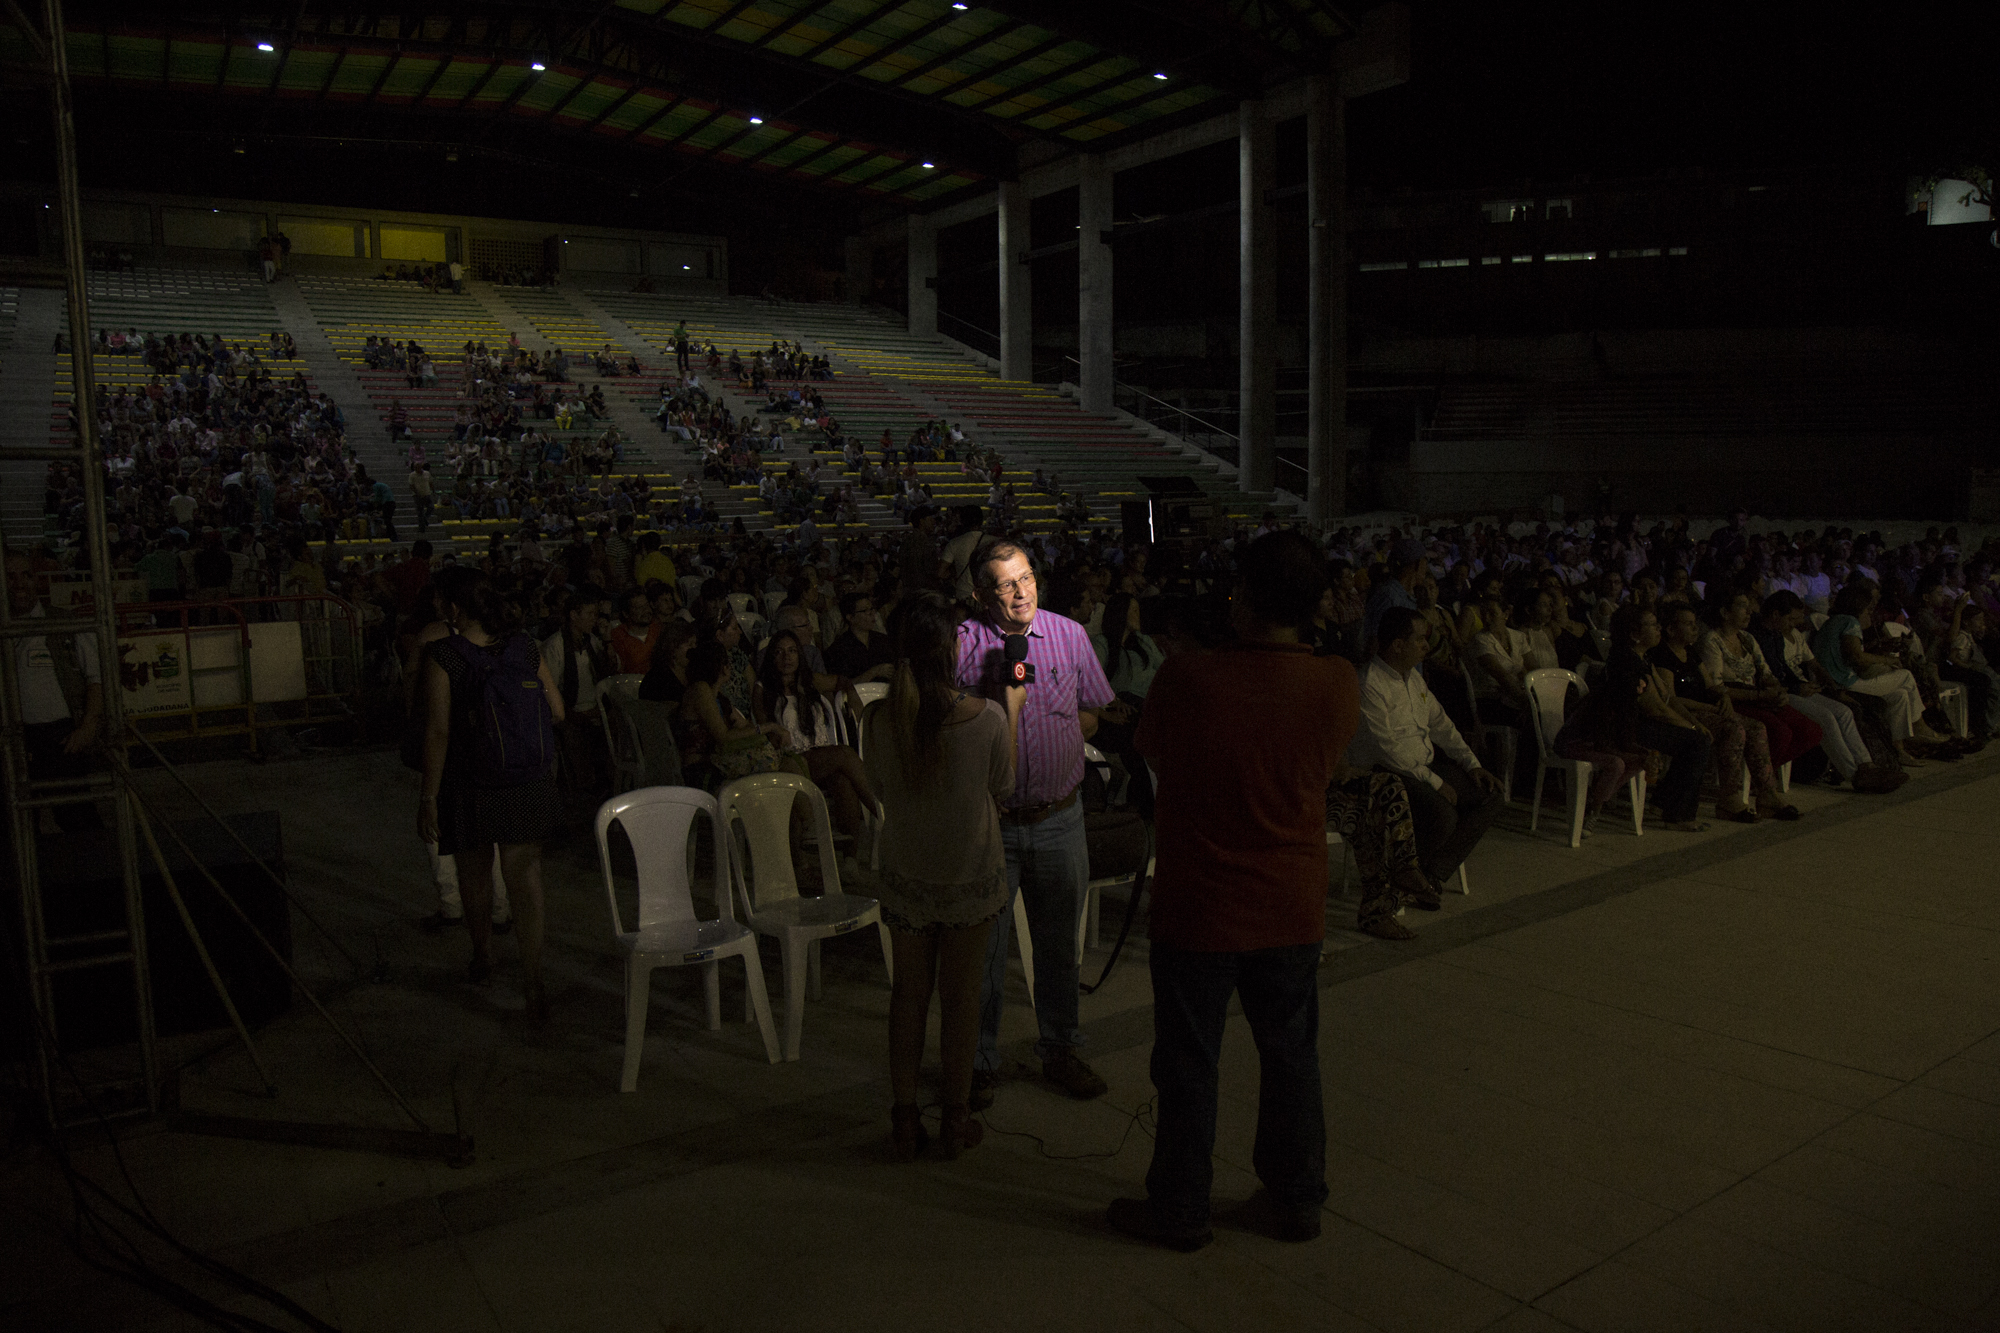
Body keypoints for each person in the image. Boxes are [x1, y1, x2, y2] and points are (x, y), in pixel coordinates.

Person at [1114, 531, 1354, 1251]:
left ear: (1241, 597)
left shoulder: (1188, 677)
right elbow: (1325, 772)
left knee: (1190, 1062)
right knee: (1291, 1059)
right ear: (1315, 605)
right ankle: (1296, 1198)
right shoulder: (1338, 681)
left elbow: (1155, 756)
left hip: (1201, 908)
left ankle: (1182, 1209)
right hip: (1291, 901)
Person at [955, 540, 1115, 1106]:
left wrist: (1067, 733)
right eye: (1006, 583)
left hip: (1058, 817)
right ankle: (976, 1062)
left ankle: (1062, 1048)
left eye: (1026, 578)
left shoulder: (1070, 635)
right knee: (987, 952)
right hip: (992, 825)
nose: (1022, 591)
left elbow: (1094, 710)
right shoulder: (963, 644)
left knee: (1057, 945)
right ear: (981, 594)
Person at [864, 593, 1023, 1160]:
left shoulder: (880, 719)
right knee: (961, 1002)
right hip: (969, 875)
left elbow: (880, 789)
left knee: (908, 997)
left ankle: (905, 1118)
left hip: (908, 871)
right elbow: (1002, 790)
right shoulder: (987, 720)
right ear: (952, 650)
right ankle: (955, 1118)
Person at [417, 566, 564, 1016]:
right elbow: (556, 710)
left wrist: (428, 796)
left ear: (456, 608)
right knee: (526, 876)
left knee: (475, 874)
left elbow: (438, 731)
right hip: (526, 778)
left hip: (470, 780)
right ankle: (534, 977)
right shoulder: (523, 645)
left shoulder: (443, 654)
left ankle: (483, 956)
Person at [1350, 607, 1504, 901]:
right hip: (1388, 774)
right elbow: (1387, 749)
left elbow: (1442, 725)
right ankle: (1410, 876)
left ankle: (1428, 874)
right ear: (1397, 644)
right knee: (1442, 814)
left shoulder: (1414, 679)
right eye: (1420, 639)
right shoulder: (1369, 683)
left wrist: (1471, 765)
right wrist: (1435, 782)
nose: (1426, 646)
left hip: (1423, 766)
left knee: (1491, 794)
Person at [6, 549, 104, 832]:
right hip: (14, 740)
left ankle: (98, 873)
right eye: (11, 577)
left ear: (37, 580)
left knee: (78, 819)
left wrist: (87, 727)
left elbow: (95, 678)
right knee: (18, 827)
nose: (19, 583)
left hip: (61, 738)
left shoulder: (64, 622)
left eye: (26, 575)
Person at [1605, 604, 1713, 832]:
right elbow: (1655, 709)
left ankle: (1663, 802)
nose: (1659, 629)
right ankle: (1678, 814)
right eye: (1653, 625)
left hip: (1642, 723)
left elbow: (1668, 698)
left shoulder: (1644, 658)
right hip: (1624, 728)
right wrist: (1690, 728)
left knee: (1696, 737)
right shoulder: (1626, 661)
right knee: (1696, 742)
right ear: (1634, 633)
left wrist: (1695, 723)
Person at [824, 590, 897, 683]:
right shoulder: (839, 649)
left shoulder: (882, 640)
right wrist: (874, 672)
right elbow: (841, 686)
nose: (872, 613)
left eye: (872, 609)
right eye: (865, 611)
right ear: (850, 617)